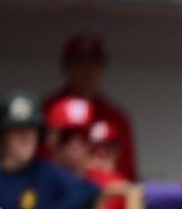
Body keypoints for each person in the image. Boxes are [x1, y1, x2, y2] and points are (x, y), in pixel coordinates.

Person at [43, 33, 138, 180]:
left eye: (94, 63)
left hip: (102, 193)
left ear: (102, 68)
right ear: (66, 66)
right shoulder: (47, 110)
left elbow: (127, 176)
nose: (87, 70)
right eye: (79, 62)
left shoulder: (116, 118)